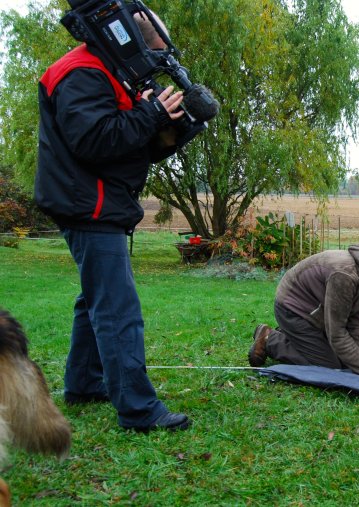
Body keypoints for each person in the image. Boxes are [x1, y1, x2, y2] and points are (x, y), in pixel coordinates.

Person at [34, 10, 190, 432]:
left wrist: (171, 127)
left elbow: (127, 144)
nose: (157, 61)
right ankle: (139, 411)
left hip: (97, 201)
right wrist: (151, 115)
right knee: (117, 307)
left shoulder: (108, 71)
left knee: (95, 298)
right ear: (135, 42)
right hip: (88, 204)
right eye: (155, 51)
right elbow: (93, 140)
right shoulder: (81, 71)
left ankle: (84, 382)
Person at [248, 237, 359, 378]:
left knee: (348, 359)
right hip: (293, 310)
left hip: (316, 311)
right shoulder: (345, 275)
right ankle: (271, 340)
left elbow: (356, 324)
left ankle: (292, 335)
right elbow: (336, 333)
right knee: (331, 366)